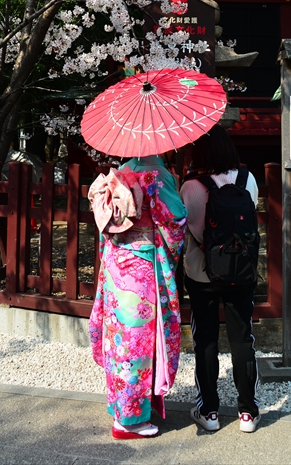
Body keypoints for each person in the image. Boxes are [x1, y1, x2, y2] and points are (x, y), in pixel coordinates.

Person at [89, 153, 187, 439]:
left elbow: (105, 226)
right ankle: (129, 421)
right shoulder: (158, 175)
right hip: (141, 267)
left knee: (119, 338)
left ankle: (119, 405)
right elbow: (176, 221)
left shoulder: (120, 172)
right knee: (137, 342)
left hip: (115, 262)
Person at [180, 124, 260, 434]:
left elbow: (183, 225)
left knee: (206, 339)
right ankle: (248, 412)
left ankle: (209, 411)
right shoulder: (247, 179)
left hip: (202, 273)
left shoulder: (190, 186)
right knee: (242, 340)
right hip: (241, 271)